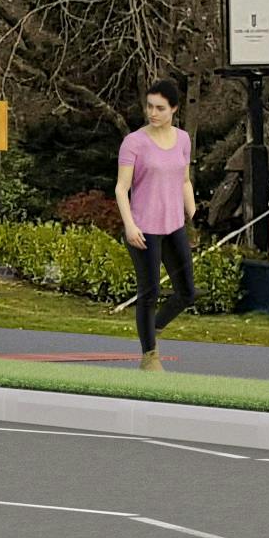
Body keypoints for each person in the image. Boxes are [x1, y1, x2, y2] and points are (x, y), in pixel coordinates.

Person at [115, 78, 197, 370]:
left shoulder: (183, 139)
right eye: (149, 106)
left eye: (160, 108)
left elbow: (184, 179)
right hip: (143, 228)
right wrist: (129, 226)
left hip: (173, 225)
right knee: (149, 293)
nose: (153, 112)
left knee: (187, 292)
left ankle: (153, 328)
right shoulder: (134, 142)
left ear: (174, 109)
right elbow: (121, 189)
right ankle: (149, 357)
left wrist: (192, 208)